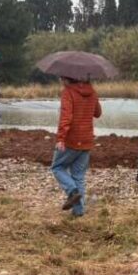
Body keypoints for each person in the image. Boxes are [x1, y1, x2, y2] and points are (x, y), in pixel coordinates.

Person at [50, 76, 103, 216]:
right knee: (78, 176)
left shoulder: (68, 92)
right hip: (87, 139)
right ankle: (78, 211)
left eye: (62, 77)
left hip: (71, 140)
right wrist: (91, 100)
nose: (60, 79)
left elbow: (66, 117)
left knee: (57, 167)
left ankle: (72, 191)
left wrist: (61, 138)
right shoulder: (92, 91)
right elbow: (98, 113)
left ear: (68, 78)